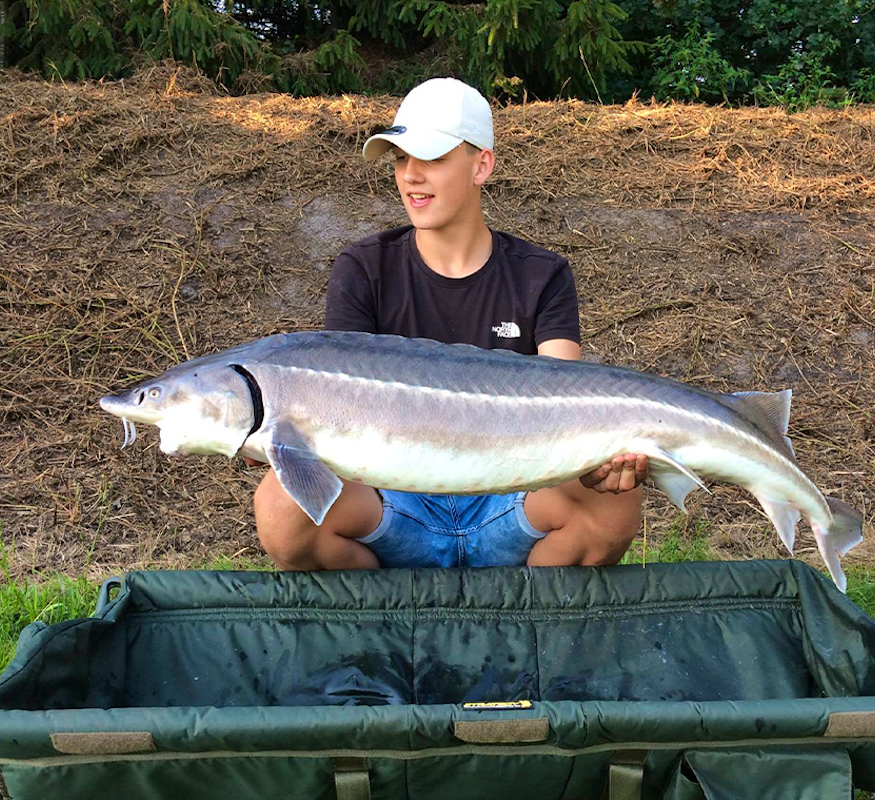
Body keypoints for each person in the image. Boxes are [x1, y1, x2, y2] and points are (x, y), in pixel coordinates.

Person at [253, 77, 646, 571]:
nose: (411, 176)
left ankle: (528, 621)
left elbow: (567, 401)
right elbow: (331, 403)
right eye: (400, 159)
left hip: (511, 499)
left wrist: (602, 461)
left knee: (616, 502)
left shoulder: (541, 273)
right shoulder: (363, 267)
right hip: (394, 504)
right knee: (280, 507)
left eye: (433, 158)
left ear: (482, 163)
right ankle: (384, 621)